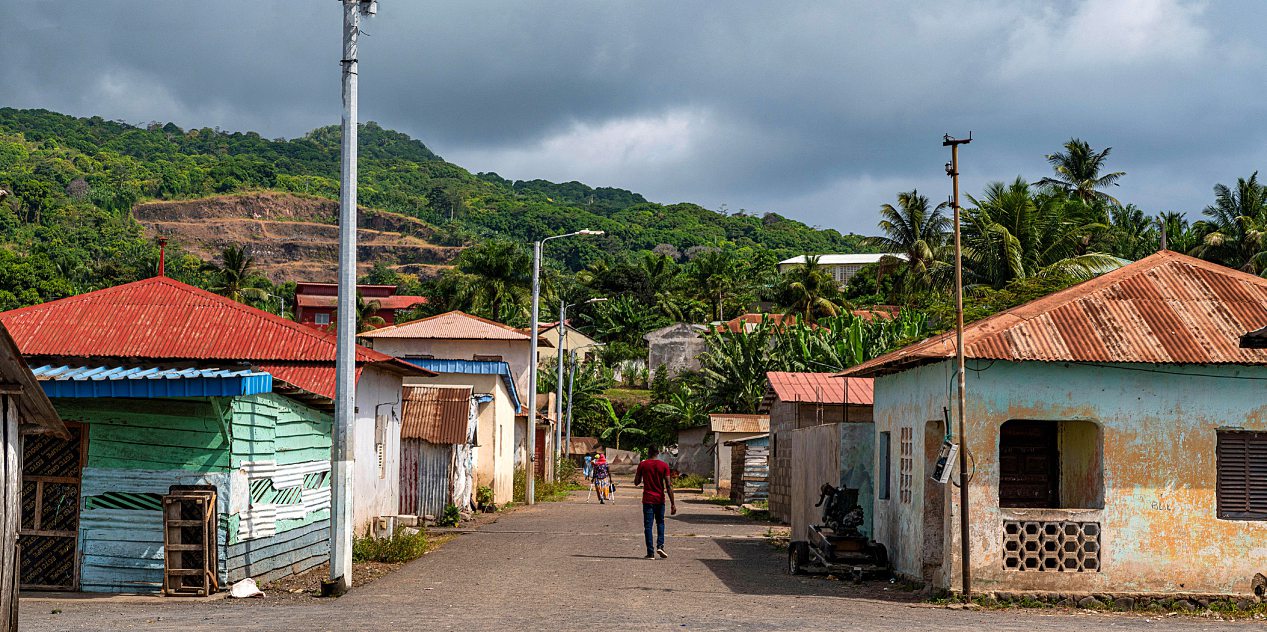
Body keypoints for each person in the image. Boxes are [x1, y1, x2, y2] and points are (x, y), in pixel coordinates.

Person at [633, 446, 676, 559]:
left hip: (648, 499)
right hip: (660, 499)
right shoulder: (664, 466)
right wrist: (673, 503)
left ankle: (650, 553)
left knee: (648, 526)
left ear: (648, 453)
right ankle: (660, 546)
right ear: (658, 453)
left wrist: (641, 475)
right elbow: (668, 485)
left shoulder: (643, 465)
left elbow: (636, 482)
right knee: (660, 523)